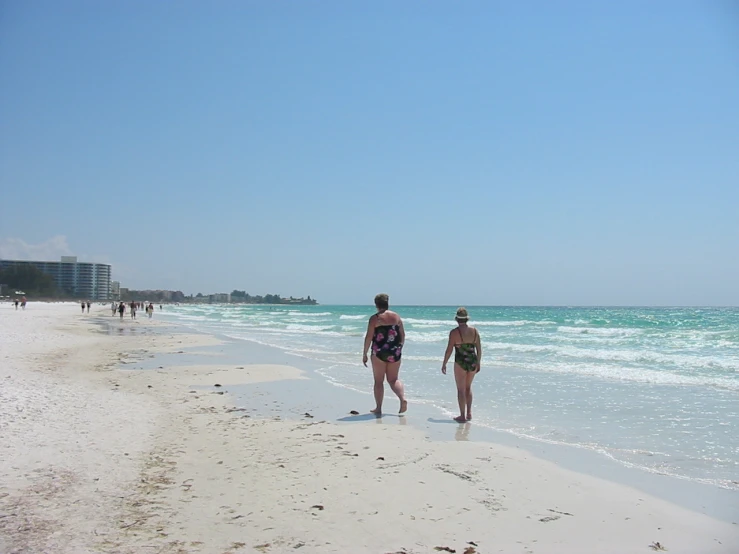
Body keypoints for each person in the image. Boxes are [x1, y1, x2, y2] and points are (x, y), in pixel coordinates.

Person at [362, 293, 408, 415]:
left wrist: (365, 353)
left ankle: (378, 408)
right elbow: (402, 335)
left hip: (379, 352)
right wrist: (399, 348)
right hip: (395, 351)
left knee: (378, 381)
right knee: (393, 379)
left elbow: (369, 336)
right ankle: (402, 398)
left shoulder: (375, 318)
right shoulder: (396, 317)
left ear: (376, 304)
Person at [441, 307, 482, 423]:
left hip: (460, 361)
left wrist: (444, 363)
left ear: (457, 319)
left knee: (460, 389)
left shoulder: (454, 333)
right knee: (468, 387)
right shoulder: (474, 331)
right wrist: (478, 362)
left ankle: (462, 415)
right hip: (472, 360)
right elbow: (479, 349)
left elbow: (449, 350)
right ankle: (469, 412)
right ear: (467, 319)